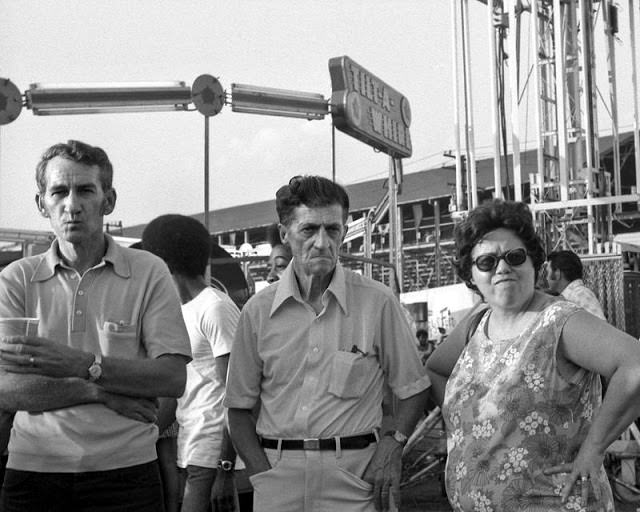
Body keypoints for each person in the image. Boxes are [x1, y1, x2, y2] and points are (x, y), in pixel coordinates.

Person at [0, 140, 192, 511]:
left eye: (85, 190)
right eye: (59, 192)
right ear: (42, 204)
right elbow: (7, 390)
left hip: (127, 474)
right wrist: (97, 391)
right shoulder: (15, 279)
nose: (72, 204)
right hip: (32, 473)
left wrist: (79, 363)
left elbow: (172, 378)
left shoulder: (148, 271)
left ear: (109, 200)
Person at [224, 175, 431, 512]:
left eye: (332, 230)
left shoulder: (377, 303)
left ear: (344, 232)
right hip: (278, 478)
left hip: (357, 477)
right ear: (285, 234)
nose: (322, 242)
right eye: (309, 230)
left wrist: (393, 445)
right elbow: (238, 408)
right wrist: (262, 475)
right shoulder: (257, 313)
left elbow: (414, 388)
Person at [426, 199, 640, 512]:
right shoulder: (476, 323)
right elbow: (434, 370)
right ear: (471, 275)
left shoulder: (558, 321)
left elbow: (634, 364)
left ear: (533, 263)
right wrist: (468, 429)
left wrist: (593, 450)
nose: (502, 268)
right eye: (487, 262)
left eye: (514, 257)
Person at [142, 214, 241, 512]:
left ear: (162, 263)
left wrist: (226, 467)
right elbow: (178, 394)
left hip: (212, 457)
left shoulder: (215, 307)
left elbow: (237, 396)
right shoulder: (181, 312)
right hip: (188, 451)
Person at [546, 249, 606, 320]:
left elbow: (599, 327)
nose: (546, 278)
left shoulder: (580, 295)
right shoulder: (571, 296)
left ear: (557, 273)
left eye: (547, 272)